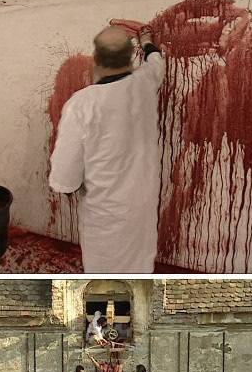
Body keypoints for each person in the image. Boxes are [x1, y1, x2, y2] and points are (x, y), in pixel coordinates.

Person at [49, 24, 166, 272]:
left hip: (104, 218)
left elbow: (65, 179)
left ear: (97, 59)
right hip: (141, 212)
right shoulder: (145, 83)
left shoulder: (81, 105)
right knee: (139, 270)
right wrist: (146, 41)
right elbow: (156, 61)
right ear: (128, 57)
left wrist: (69, 186)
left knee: (103, 278)